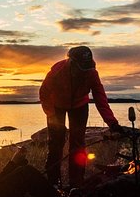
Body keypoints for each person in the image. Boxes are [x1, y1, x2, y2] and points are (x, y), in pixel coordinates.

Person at [39, 46, 122, 189]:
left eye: (87, 68)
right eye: (81, 68)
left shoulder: (92, 73)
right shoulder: (57, 71)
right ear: (71, 62)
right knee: (56, 144)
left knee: (77, 145)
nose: (84, 72)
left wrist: (112, 123)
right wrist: (51, 116)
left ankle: (75, 185)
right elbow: (44, 94)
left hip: (80, 106)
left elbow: (101, 99)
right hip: (56, 106)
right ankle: (53, 183)